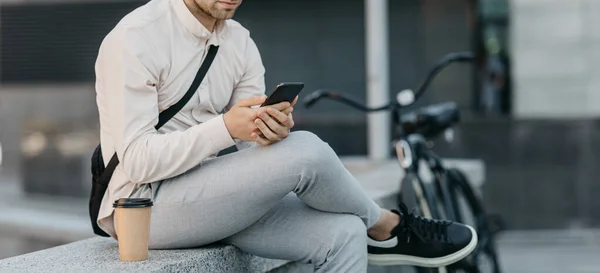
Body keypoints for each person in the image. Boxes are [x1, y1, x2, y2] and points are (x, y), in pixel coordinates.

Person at [93, 0, 477, 272]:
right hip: (141, 208)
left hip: (210, 196)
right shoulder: (135, 38)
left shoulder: (239, 42)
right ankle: (386, 226)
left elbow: (247, 150)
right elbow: (138, 158)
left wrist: (267, 133)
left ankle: (372, 230)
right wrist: (225, 127)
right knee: (306, 151)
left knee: (343, 233)